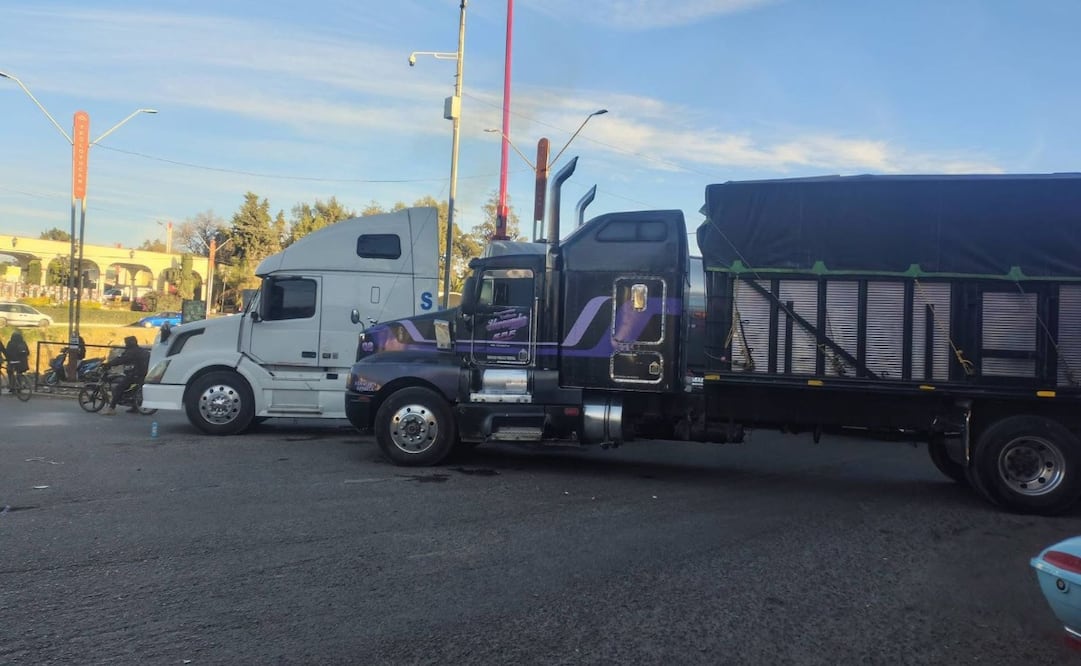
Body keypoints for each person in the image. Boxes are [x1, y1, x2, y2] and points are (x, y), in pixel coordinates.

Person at [100, 335, 150, 415]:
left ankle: (111, 408)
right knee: (133, 389)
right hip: (143, 373)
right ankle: (135, 407)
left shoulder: (131, 352)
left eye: (126, 343)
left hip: (134, 374)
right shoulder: (140, 350)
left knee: (119, 388)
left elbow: (121, 359)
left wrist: (109, 364)